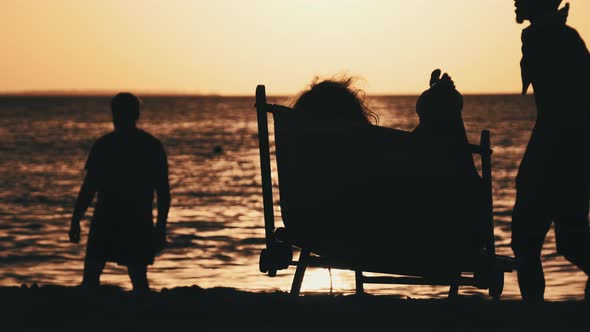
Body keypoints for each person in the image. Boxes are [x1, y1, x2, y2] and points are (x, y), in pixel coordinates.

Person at [511, 0, 590, 301]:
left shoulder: (554, 38)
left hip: (559, 148)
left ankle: (534, 316)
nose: (515, 2)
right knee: (548, 241)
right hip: (565, 148)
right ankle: (535, 314)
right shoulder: (550, 36)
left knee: (532, 240)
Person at [68, 93, 171, 292]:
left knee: (99, 278)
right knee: (136, 280)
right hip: (129, 218)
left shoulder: (106, 145)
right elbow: (163, 193)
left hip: (114, 217)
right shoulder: (150, 146)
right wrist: (160, 228)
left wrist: (76, 220)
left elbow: (89, 188)